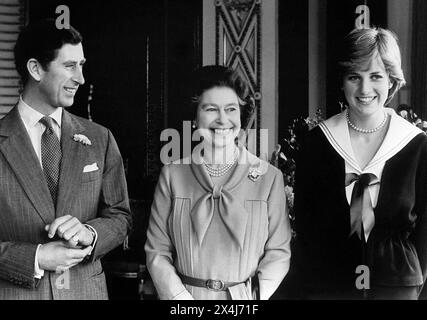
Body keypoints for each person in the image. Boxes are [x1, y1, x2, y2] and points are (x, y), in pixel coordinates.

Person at [292, 27, 427, 300]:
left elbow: (426, 232)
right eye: (354, 76)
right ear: (342, 81)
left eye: (376, 76)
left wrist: (411, 284)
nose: (365, 89)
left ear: (391, 80)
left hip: (396, 286)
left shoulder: (417, 145)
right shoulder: (316, 144)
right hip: (327, 286)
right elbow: (306, 230)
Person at [0, 19, 131, 299]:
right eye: (70, 66)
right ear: (35, 69)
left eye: (81, 65)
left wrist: (89, 233)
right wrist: (35, 258)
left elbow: (120, 217)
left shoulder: (100, 138)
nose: (81, 78)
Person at [145, 65, 291, 300]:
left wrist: (250, 298)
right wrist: (181, 300)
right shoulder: (172, 175)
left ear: (241, 116)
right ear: (194, 117)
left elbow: (279, 254)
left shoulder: (269, 177)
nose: (222, 120)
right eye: (211, 109)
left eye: (231, 109)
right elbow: (157, 252)